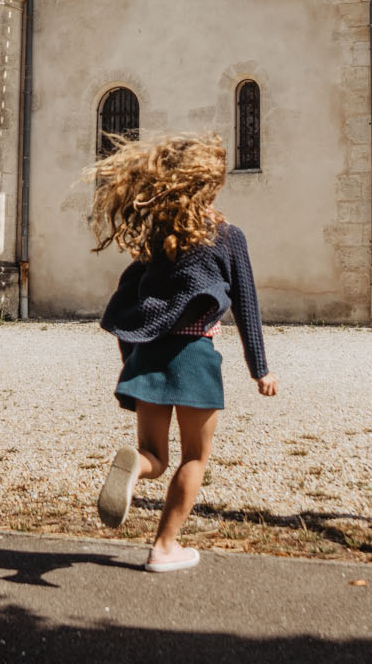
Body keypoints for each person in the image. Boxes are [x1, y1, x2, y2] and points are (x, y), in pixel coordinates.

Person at [93, 133, 278, 572]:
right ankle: (164, 547)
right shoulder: (228, 236)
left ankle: (135, 467)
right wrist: (261, 369)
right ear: (209, 185)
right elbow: (247, 307)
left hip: (150, 354)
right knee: (195, 457)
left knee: (156, 455)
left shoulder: (159, 237)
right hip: (196, 353)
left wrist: (131, 358)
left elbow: (129, 296)